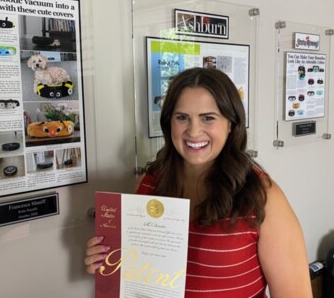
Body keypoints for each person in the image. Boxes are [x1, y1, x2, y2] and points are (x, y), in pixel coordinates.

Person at [85, 67, 312, 297]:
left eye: (208, 118)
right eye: (182, 117)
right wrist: (108, 259)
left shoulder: (262, 197)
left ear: (231, 124)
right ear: (169, 123)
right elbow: (139, 272)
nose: (194, 131)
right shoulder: (149, 183)